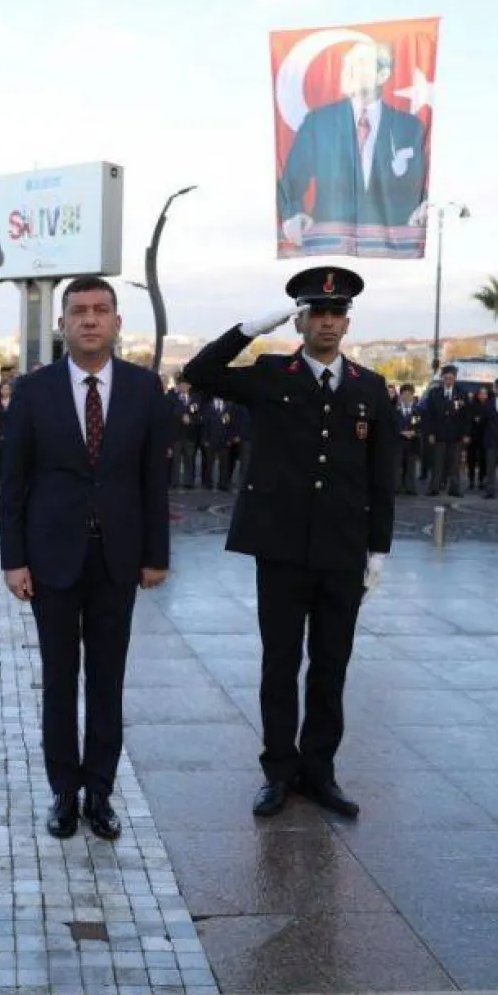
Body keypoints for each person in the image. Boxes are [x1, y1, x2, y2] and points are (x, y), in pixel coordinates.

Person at [181, 266, 394, 820]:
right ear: (300, 320)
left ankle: (319, 772)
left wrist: (379, 549)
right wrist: (251, 327)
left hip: (343, 551)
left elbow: (382, 474)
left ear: (347, 322)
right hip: (280, 548)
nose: (327, 321)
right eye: (315, 312)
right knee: (280, 664)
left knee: (331, 665)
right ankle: (278, 771)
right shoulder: (273, 373)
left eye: (336, 313)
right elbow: (199, 371)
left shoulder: (370, 387)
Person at [0, 275, 171, 840]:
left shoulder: (145, 390)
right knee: (58, 679)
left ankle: (100, 792)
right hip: (51, 558)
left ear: (118, 322)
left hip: (117, 560)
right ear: (62, 324)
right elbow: (14, 482)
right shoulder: (33, 390)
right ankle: (63, 793)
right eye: (78, 311)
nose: (89, 320)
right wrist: (13, 559)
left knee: (106, 680)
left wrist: (155, 555)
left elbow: (153, 480)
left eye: (100, 310)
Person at [277, 40, 428, 252]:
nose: (348, 69)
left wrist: (424, 206)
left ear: (382, 75)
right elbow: (292, 180)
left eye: (359, 63)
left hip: (392, 245)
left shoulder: (409, 127)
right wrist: (292, 214)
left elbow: (421, 184)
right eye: (346, 63)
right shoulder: (319, 122)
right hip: (329, 242)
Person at [420, 365, 466, 496]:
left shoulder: (461, 393)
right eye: (446, 378)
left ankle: (454, 489)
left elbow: (466, 415)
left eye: (451, 378)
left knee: (454, 464)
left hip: (455, 434)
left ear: (455, 379)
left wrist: (465, 433)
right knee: (437, 463)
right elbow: (429, 415)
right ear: (442, 379)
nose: (448, 381)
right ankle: (434, 487)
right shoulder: (435, 393)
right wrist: (430, 433)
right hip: (438, 433)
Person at [393, 383, 421, 495]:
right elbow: (392, 425)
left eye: (409, 394)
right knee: (396, 466)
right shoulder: (395, 409)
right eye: (404, 394)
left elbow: (418, 425)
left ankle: (410, 488)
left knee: (410, 466)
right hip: (398, 442)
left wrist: (414, 432)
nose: (407, 396)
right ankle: (396, 487)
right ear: (400, 395)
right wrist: (401, 432)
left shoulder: (415, 411)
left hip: (411, 442)